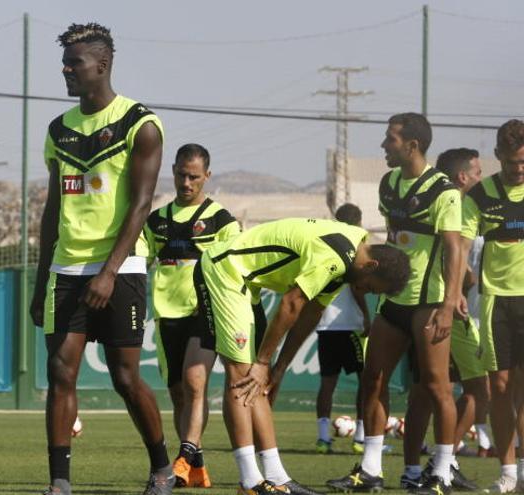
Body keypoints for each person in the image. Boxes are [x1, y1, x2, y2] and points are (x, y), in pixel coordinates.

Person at [29, 22, 173, 495]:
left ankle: (161, 468)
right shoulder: (59, 129)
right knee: (59, 372)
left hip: (121, 269)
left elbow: (141, 203)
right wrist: (39, 280)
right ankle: (59, 483)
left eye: (75, 63)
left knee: (125, 377)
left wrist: (109, 272)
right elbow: (53, 209)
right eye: (65, 63)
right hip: (66, 269)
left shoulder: (140, 124)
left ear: (103, 65)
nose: (66, 70)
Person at [197, 217, 410, 495]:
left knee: (258, 382)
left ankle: (276, 477)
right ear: (371, 266)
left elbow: (311, 312)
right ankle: (249, 482)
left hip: (248, 282)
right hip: (225, 270)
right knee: (243, 374)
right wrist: (263, 362)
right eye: (370, 287)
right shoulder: (336, 256)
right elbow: (290, 303)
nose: (364, 292)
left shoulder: (351, 257)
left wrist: (278, 369)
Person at [327, 113, 464, 495]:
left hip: (428, 303)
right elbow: (393, 238)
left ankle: (440, 473)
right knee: (372, 379)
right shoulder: (388, 184)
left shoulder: (444, 191)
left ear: (412, 145)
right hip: (394, 302)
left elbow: (454, 249)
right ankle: (371, 470)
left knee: (437, 388)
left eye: (390, 139)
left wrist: (449, 305)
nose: (384, 146)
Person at [144, 143, 240, 488]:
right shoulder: (156, 221)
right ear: (173, 171)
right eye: (182, 175)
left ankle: (181, 461)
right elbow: (141, 261)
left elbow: (235, 269)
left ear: (207, 177)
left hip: (205, 312)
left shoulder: (222, 221)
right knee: (178, 395)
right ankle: (196, 465)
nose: (187, 183)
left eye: (194, 177)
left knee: (195, 383)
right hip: (166, 316)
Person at [398, 148, 487, 492]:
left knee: (431, 390)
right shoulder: (458, 205)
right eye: (477, 171)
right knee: (472, 389)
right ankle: (440, 464)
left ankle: (434, 463)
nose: (481, 177)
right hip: (450, 310)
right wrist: (458, 293)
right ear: (463, 176)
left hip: (436, 306)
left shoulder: (448, 201)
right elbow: (460, 261)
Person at [461, 120, 524, 493]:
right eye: (513, 161)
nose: (519, 168)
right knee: (499, 386)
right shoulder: (479, 195)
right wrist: (456, 291)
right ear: (498, 155)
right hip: (495, 300)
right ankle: (507, 472)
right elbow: (460, 245)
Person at [312, 204, 371, 455]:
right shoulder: (356, 246)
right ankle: (360, 438)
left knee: (327, 384)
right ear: (358, 222)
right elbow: (357, 288)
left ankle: (323, 439)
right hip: (349, 326)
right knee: (365, 382)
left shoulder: (324, 245)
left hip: (326, 326)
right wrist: (367, 315)